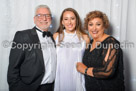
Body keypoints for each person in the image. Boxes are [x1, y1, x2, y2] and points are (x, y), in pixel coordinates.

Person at [7, 5, 56, 91]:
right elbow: (13, 69)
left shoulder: (54, 38)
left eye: (47, 16)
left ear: (51, 19)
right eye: (40, 15)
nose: (44, 19)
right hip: (30, 88)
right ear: (34, 19)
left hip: (51, 88)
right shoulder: (23, 36)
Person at [76, 10, 125, 91]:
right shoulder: (90, 43)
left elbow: (107, 71)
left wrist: (84, 70)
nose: (94, 28)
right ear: (87, 27)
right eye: (91, 24)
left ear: (104, 26)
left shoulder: (111, 43)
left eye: (98, 24)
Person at [53, 8, 90, 91]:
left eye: (72, 19)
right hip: (61, 77)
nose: (69, 22)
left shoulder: (85, 37)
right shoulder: (56, 36)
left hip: (78, 77)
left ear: (77, 21)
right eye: (66, 19)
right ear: (62, 22)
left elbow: (89, 60)